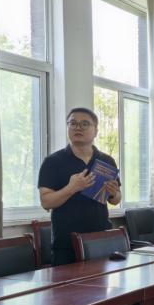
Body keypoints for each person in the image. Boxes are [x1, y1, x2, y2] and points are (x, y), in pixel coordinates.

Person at [38, 107, 121, 266]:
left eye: (84, 124)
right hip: (66, 244)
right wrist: (72, 188)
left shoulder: (107, 161)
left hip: (100, 240)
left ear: (96, 131)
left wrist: (114, 193)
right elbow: (46, 202)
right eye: (73, 123)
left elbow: (116, 200)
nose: (78, 128)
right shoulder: (52, 162)